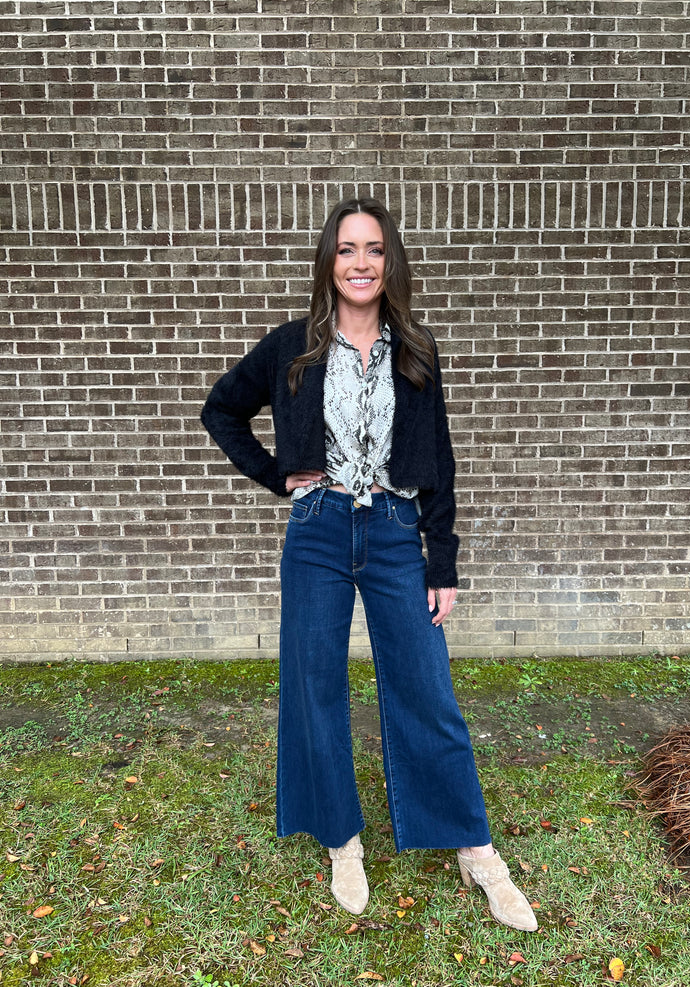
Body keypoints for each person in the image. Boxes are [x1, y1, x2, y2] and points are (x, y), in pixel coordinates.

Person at [200, 197, 537, 931]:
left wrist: (440, 561)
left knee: (426, 685)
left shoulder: (415, 350)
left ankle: (474, 847)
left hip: (393, 529)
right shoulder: (293, 347)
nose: (360, 263)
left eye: (373, 249)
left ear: (390, 263)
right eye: (347, 249)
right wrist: (275, 472)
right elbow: (221, 408)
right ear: (329, 261)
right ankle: (341, 837)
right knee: (314, 685)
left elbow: (440, 460)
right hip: (317, 532)